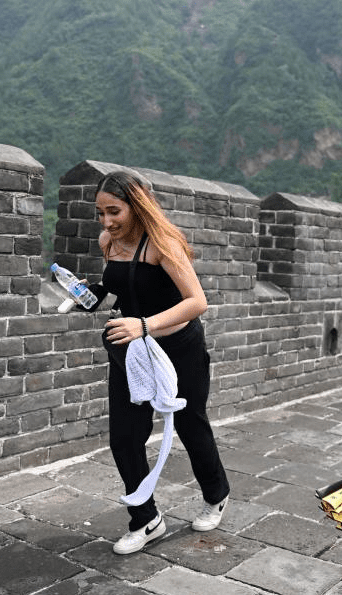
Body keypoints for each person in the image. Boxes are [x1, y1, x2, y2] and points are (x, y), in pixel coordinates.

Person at [92, 170, 230, 554]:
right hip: (130, 351)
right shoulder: (108, 241)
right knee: (124, 437)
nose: (107, 222)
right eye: (101, 213)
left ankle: (216, 494)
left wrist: (145, 324)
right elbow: (120, 286)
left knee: (190, 424)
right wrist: (93, 293)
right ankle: (146, 519)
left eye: (114, 211)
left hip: (178, 346)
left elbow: (196, 301)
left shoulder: (163, 242)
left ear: (137, 205)